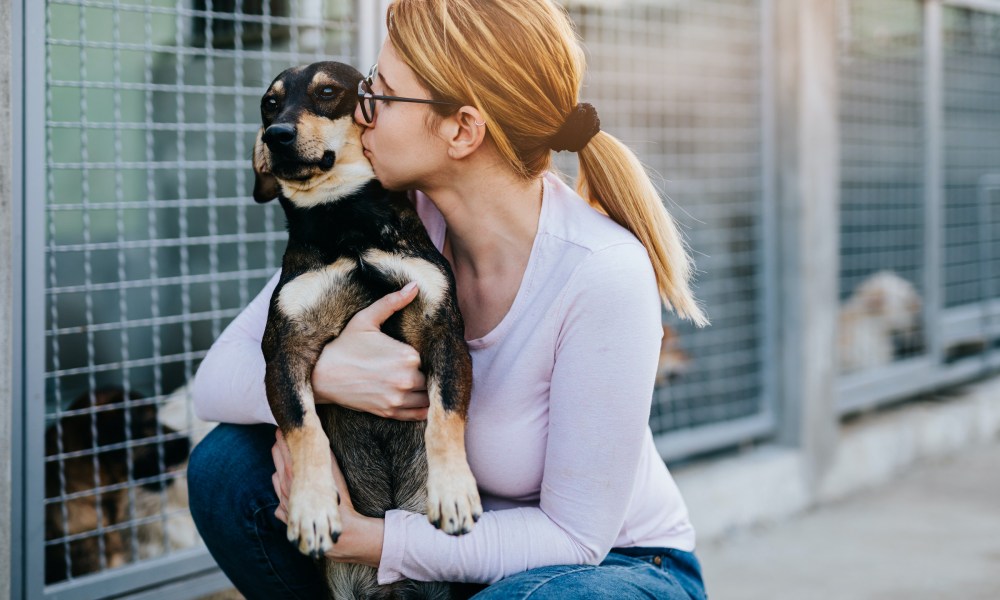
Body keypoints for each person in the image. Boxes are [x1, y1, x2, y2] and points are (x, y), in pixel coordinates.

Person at [187, 1, 709, 598]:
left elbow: (576, 540)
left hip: (606, 566)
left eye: (379, 96)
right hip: (441, 539)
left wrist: (372, 540)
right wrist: (327, 375)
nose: (361, 115)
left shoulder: (600, 271)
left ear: (461, 129)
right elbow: (215, 381)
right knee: (227, 466)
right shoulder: (397, 219)